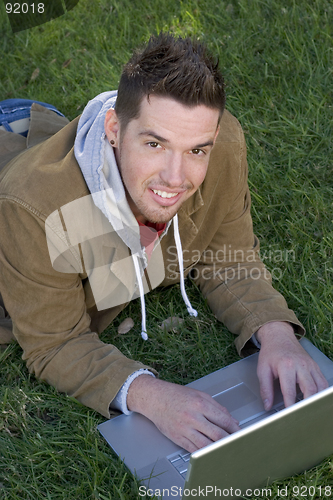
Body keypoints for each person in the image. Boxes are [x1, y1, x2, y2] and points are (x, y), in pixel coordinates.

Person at [0, 33, 327, 453]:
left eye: (195, 151)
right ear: (114, 129)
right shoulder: (34, 210)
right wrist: (151, 395)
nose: (175, 178)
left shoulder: (222, 144)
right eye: (155, 144)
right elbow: (54, 343)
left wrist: (277, 333)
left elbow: (227, 257)